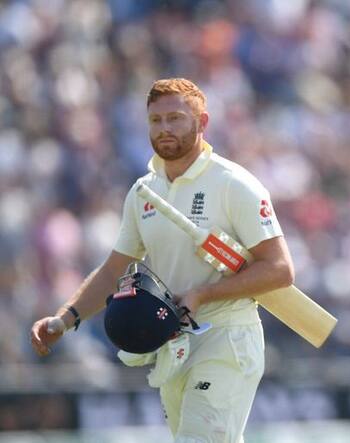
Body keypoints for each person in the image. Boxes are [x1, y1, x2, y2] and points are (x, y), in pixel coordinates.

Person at [30, 78, 295, 443]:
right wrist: (64, 319)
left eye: (176, 118)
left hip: (228, 337)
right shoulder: (144, 192)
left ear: (202, 122)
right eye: (156, 120)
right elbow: (113, 270)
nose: (164, 128)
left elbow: (280, 270)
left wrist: (202, 294)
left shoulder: (235, 183)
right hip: (172, 345)